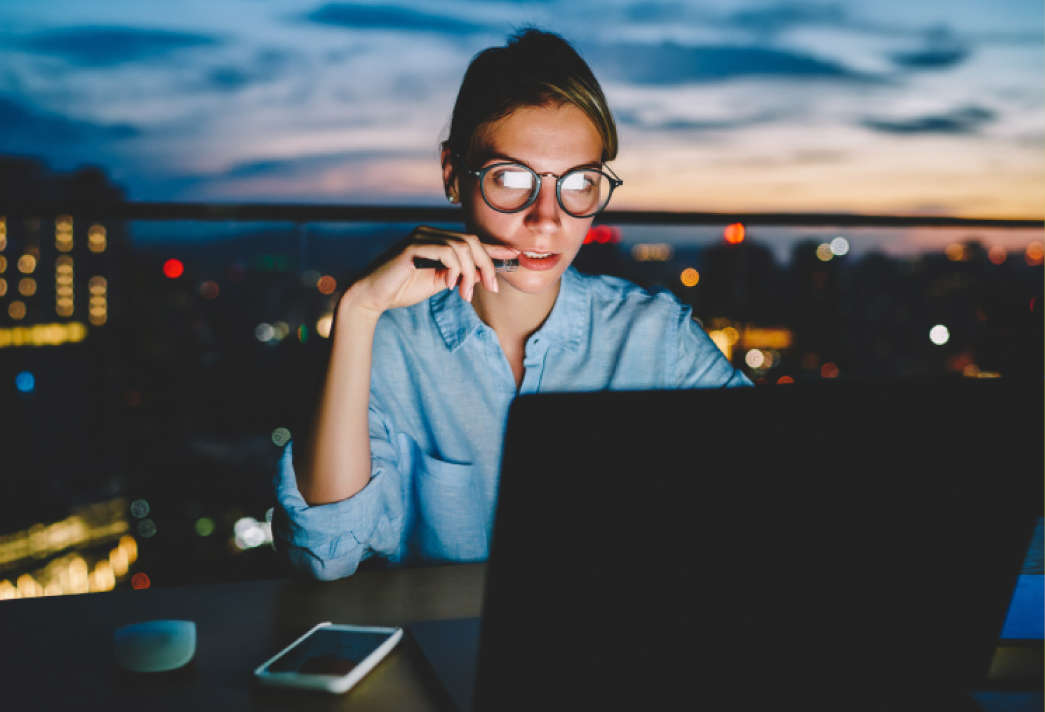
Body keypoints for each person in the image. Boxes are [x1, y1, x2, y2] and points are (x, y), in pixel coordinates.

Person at [272, 27, 752, 581]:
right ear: (454, 174)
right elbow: (324, 554)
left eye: (579, 184)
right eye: (511, 178)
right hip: (445, 650)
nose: (546, 218)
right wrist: (357, 311)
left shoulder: (656, 336)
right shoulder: (391, 340)